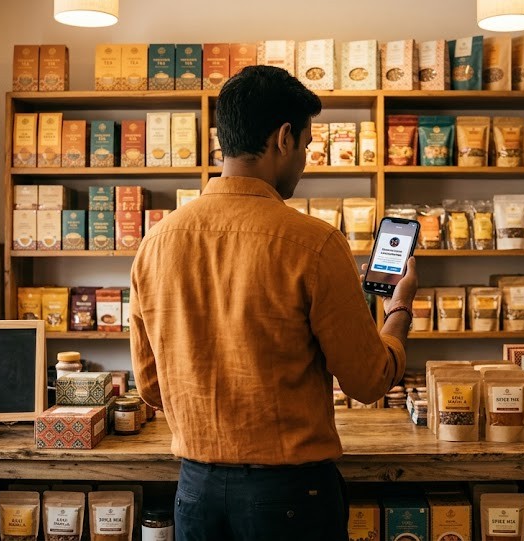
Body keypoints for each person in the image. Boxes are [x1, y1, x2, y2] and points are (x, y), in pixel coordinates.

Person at [130, 65, 417, 541]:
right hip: (290, 498)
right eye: (306, 144)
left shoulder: (156, 242)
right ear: (284, 138)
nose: (304, 160)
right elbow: (368, 382)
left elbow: (151, 387)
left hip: (194, 494)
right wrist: (399, 310)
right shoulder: (315, 244)